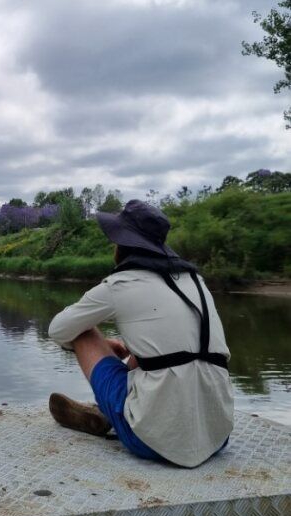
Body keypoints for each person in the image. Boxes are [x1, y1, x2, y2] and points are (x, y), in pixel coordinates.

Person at [47, 199, 234, 468]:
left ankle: (116, 414)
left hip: (150, 442)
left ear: (120, 244)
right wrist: (136, 350)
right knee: (169, 353)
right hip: (217, 436)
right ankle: (114, 411)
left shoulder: (120, 284)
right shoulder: (196, 280)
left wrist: (106, 344)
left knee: (82, 332)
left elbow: (57, 329)